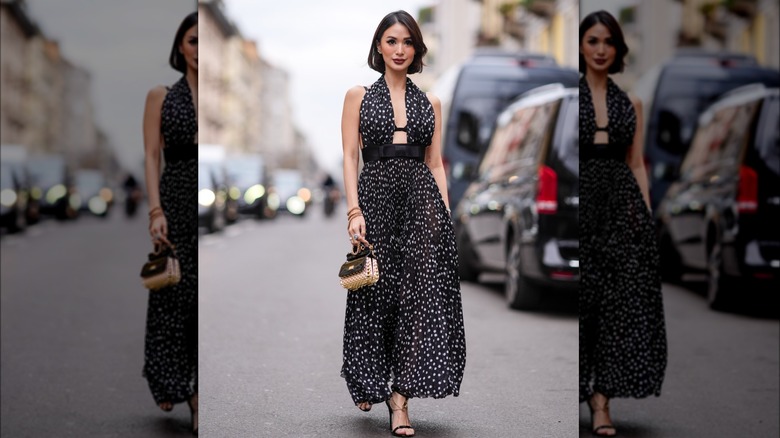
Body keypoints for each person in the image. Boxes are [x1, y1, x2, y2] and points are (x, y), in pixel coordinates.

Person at [340, 10, 466, 437]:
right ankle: (368, 377)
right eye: (392, 41)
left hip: (420, 205)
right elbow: (350, 157)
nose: (399, 49)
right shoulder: (358, 96)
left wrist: (443, 216)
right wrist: (354, 211)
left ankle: (400, 400)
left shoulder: (431, 103)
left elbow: (435, 164)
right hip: (375, 201)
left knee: (416, 300)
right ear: (379, 46)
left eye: (407, 42)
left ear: (417, 49)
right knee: (373, 294)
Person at [579, 10, 667, 436]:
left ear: (618, 48)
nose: (601, 49)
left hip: (619, 212)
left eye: (608, 42)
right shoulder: (572, 98)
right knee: (584, 303)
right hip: (582, 210)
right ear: (581, 45)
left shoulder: (632, 103)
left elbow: (636, 165)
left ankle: (602, 401)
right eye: (593, 40)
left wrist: (644, 219)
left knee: (615, 308)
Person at [142, 11, 198, 434]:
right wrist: (155, 211)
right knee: (174, 294)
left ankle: (196, 394)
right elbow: (151, 156)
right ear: (180, 46)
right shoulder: (161, 95)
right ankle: (169, 378)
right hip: (176, 198)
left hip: (202, 197)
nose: (201, 51)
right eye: (194, 41)